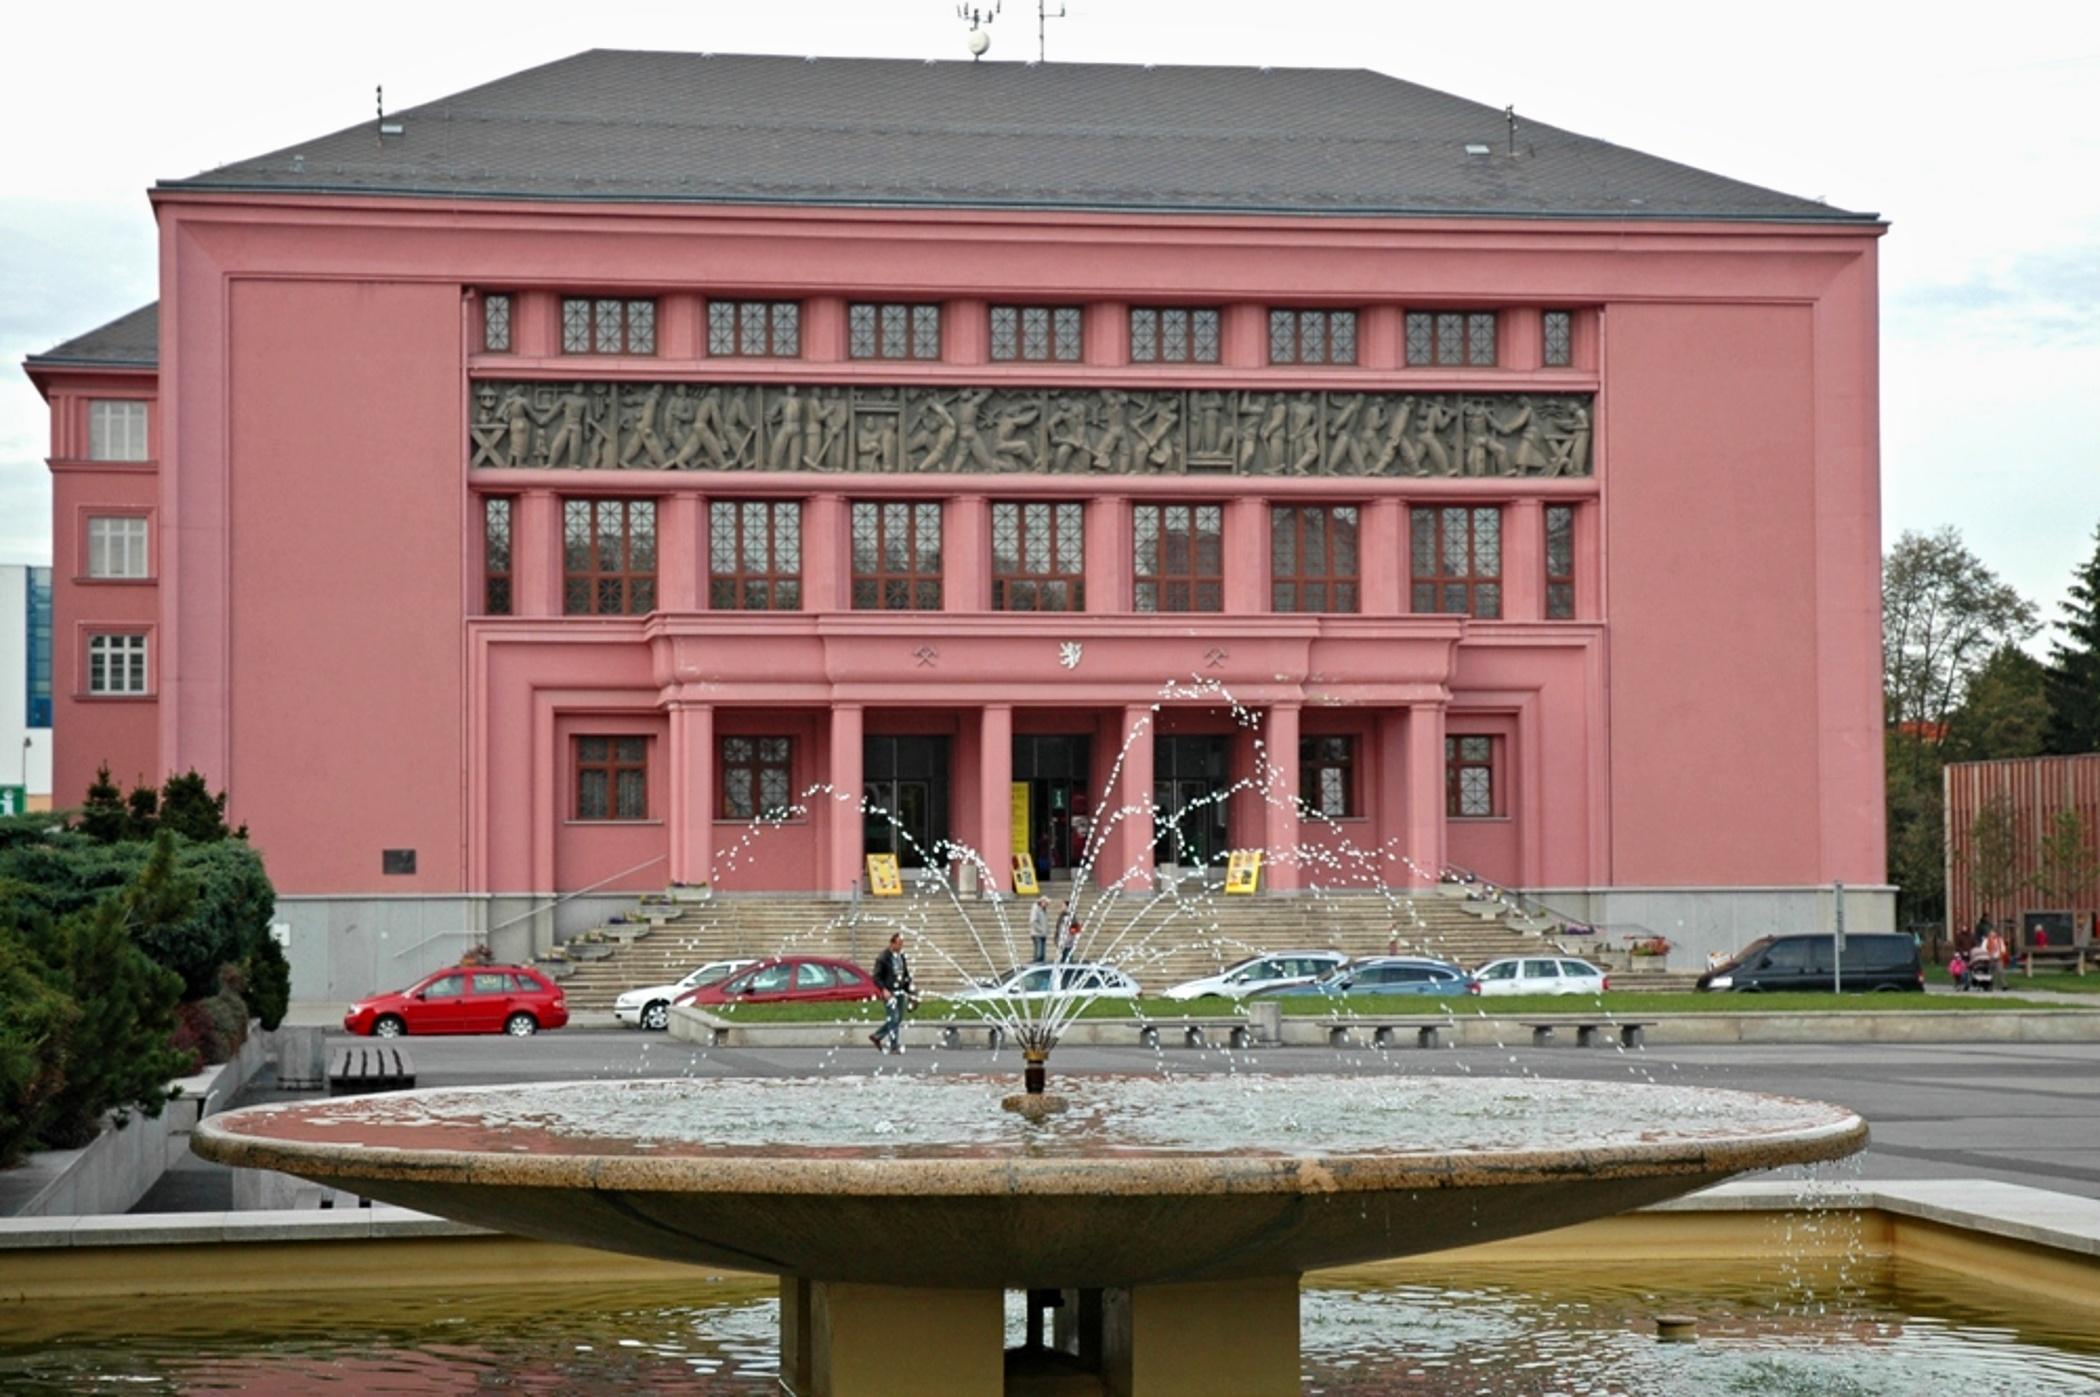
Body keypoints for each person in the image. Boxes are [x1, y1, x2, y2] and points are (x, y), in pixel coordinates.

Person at [870, 933, 914, 1053]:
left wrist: (910, 991)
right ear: (892, 943)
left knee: (898, 1018)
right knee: (893, 1017)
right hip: (889, 992)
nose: (900, 946)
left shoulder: (901, 957)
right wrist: (883, 989)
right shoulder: (883, 958)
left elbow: (905, 974)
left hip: (900, 991)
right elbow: (876, 977)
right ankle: (893, 1046)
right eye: (898, 944)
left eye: (902, 944)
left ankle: (877, 1036)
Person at [1982, 924, 2010, 993]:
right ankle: (1990, 985)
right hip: (1990, 958)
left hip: (1998, 958)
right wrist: (1988, 954)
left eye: (1993, 932)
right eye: (1991, 932)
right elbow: (1983, 949)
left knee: (2001, 971)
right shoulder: (1986, 940)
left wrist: (2002, 953)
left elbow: (2003, 948)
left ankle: (2004, 985)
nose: (1992, 933)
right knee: (1991, 972)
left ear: (1996, 933)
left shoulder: (1999, 940)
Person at [1030, 896, 1052, 964]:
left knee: (1042, 955)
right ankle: (1036, 965)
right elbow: (1033, 922)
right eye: (1046, 903)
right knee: (1039, 954)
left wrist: (1047, 930)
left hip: (1043, 935)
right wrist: (1041, 930)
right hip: (1037, 934)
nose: (1047, 905)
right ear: (1042, 902)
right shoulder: (1035, 908)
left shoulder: (1044, 910)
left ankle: (1040, 964)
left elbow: (1045, 922)